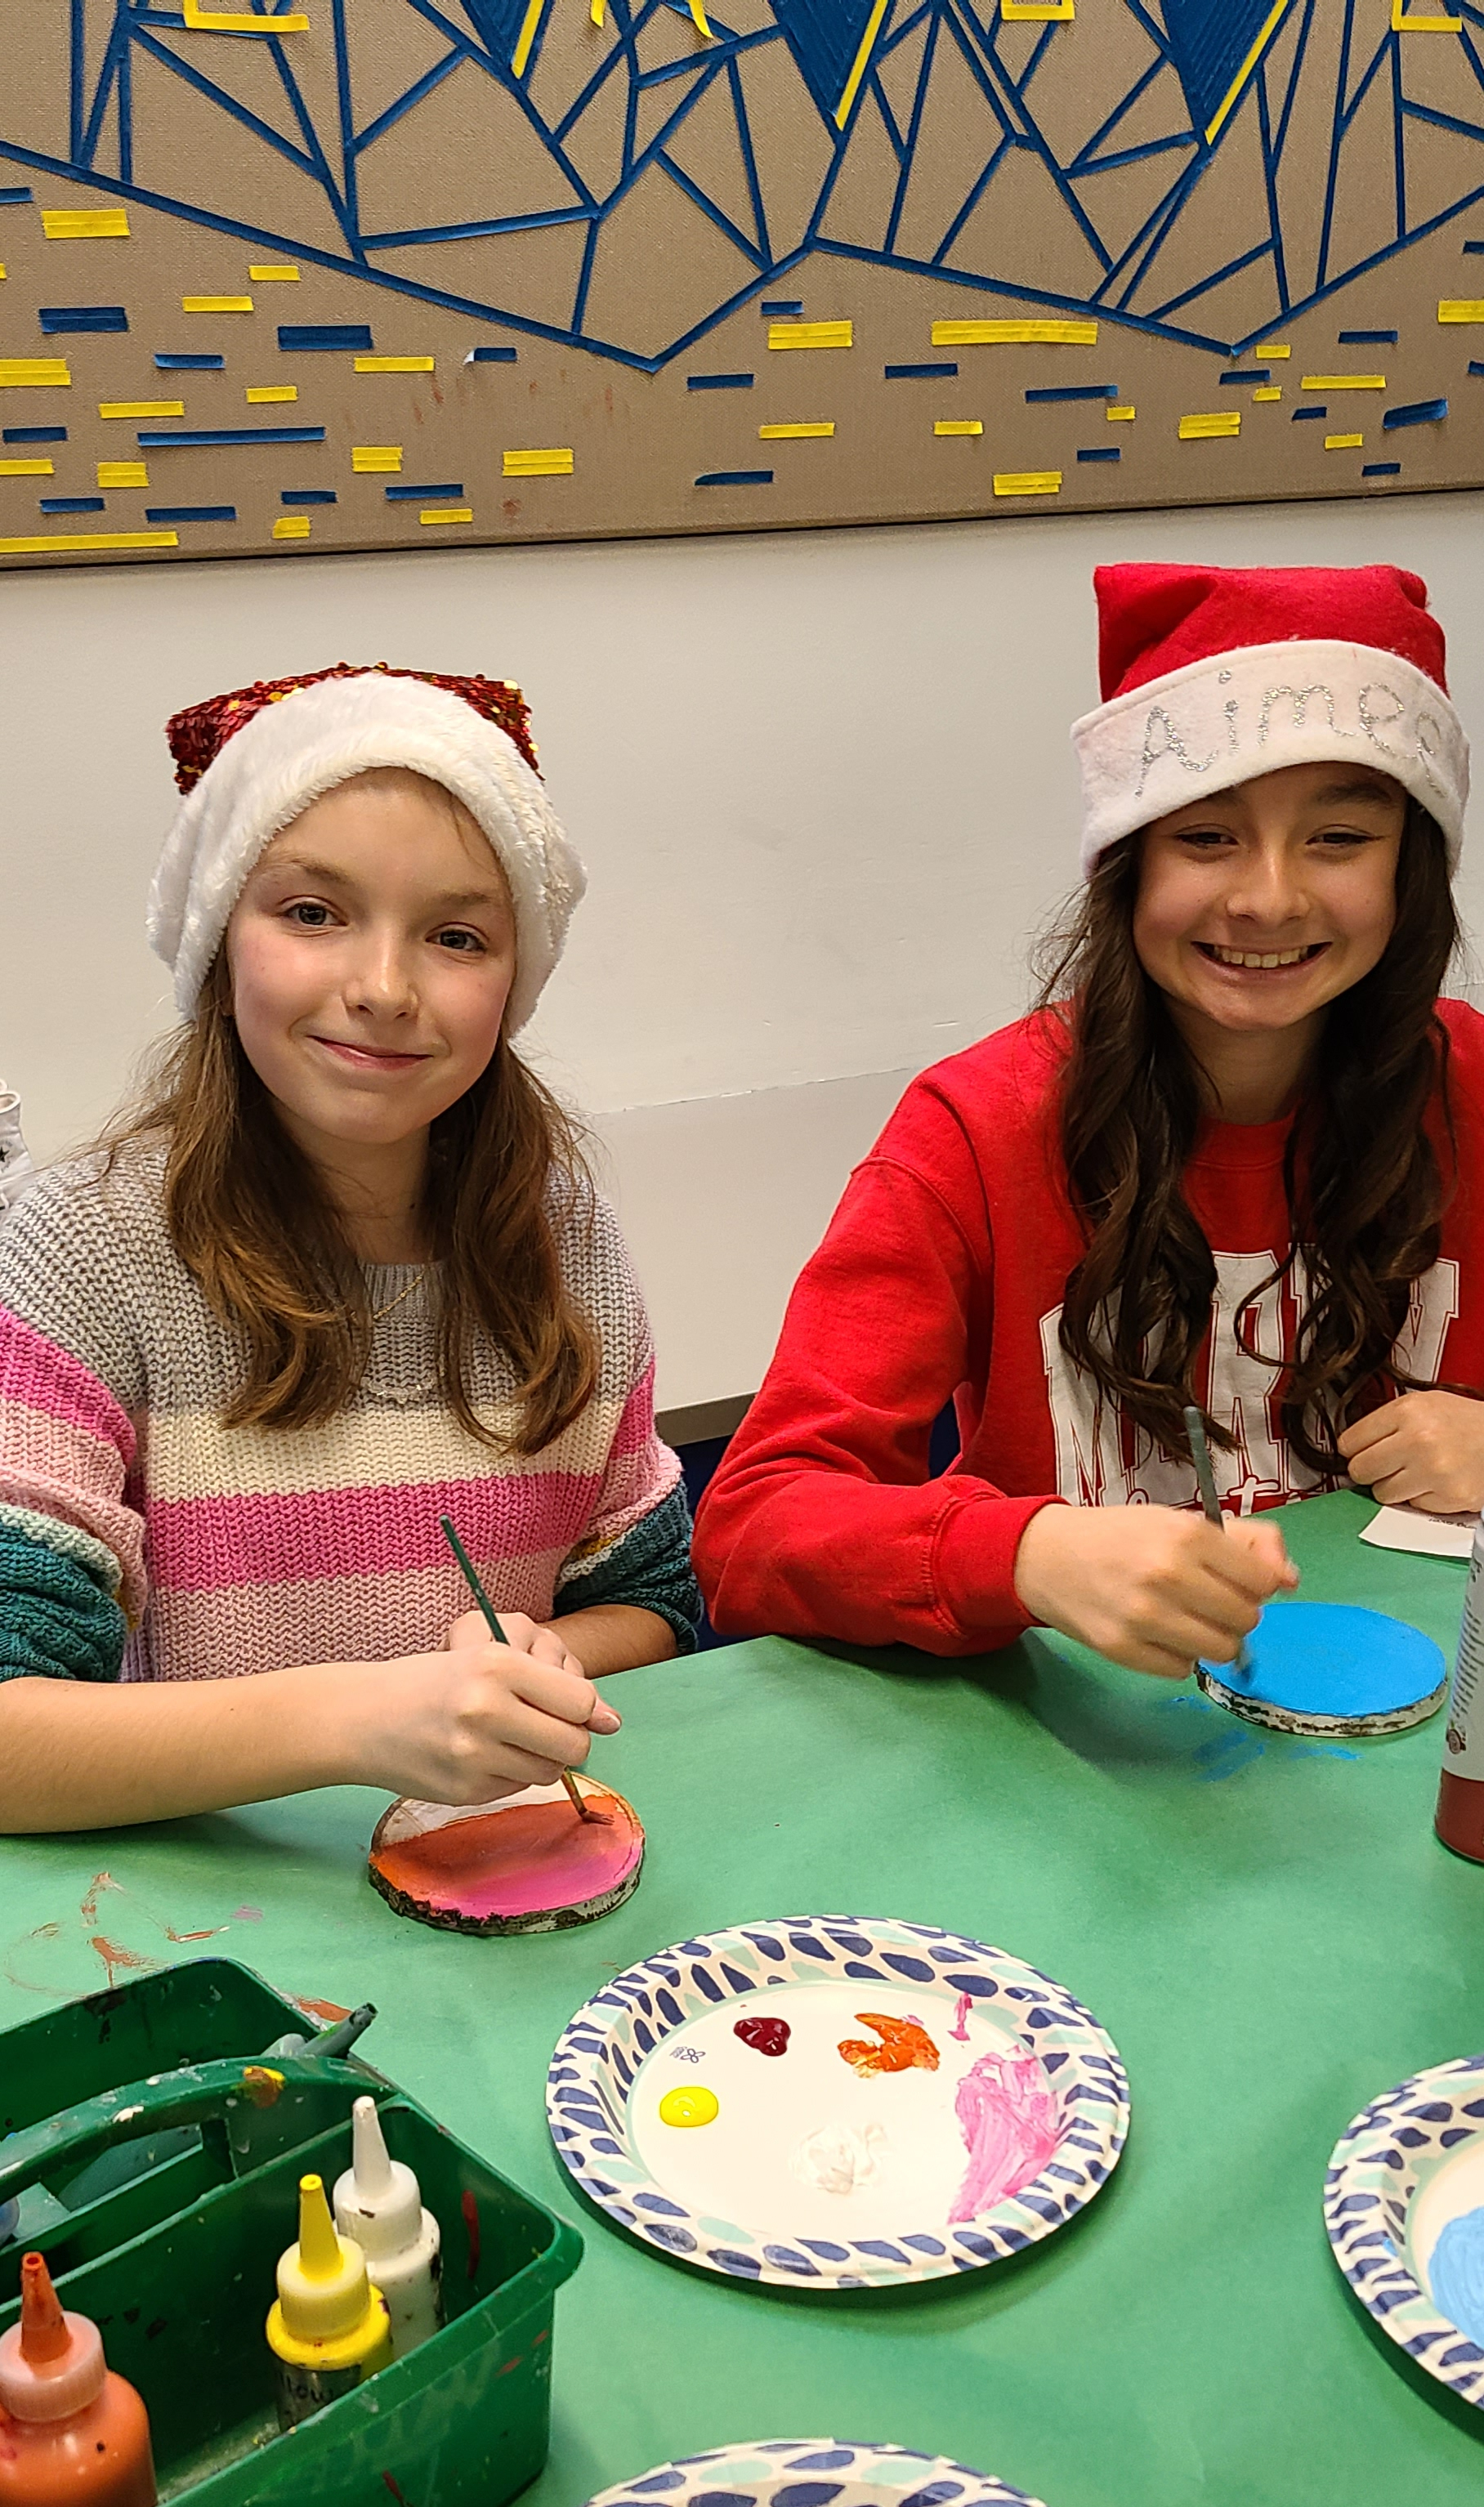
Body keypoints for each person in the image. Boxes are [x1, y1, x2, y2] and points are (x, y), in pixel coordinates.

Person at [695, 563, 1484, 1678]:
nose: (1267, 898)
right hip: (1090, 1757)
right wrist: (1027, 1553)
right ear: (1129, 864)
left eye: (1339, 838)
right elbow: (751, 1527)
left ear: (1415, 866)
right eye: (1207, 837)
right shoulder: (976, 1130)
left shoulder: (1470, 1088)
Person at [0, 663, 699, 1833]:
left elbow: (657, 1606)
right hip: (225, 1919)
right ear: (219, 947)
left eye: (458, 935)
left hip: (499, 1876)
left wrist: (537, 1657)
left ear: (515, 980)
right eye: (313, 913)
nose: (382, 988)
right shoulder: (87, 1249)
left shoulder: (561, 1235)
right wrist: (366, 1721)